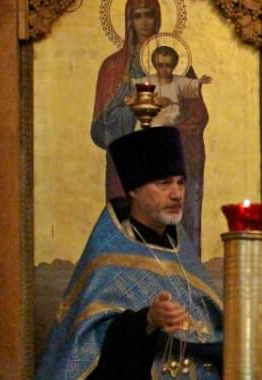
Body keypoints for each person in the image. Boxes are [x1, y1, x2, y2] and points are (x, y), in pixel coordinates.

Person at [20, 126, 262, 380]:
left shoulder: (185, 260)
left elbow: (215, 344)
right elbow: (90, 354)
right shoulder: (107, 260)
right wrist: (146, 321)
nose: (176, 194)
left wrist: (260, 353)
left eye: (181, 183)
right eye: (164, 183)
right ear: (133, 190)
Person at [92, 0, 209, 255]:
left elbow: (198, 116)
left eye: (150, 15)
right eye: (138, 16)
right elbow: (101, 126)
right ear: (129, 21)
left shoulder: (179, 65)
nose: (145, 22)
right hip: (129, 166)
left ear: (158, 18)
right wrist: (137, 111)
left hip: (170, 158)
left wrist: (170, 127)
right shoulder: (114, 67)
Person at [141, 45, 212, 129]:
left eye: (168, 66)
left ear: (174, 66)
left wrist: (200, 81)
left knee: (158, 124)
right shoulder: (150, 79)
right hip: (153, 113)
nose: (164, 69)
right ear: (154, 65)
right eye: (160, 65)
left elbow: (191, 84)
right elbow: (135, 85)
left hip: (170, 113)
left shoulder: (179, 81)